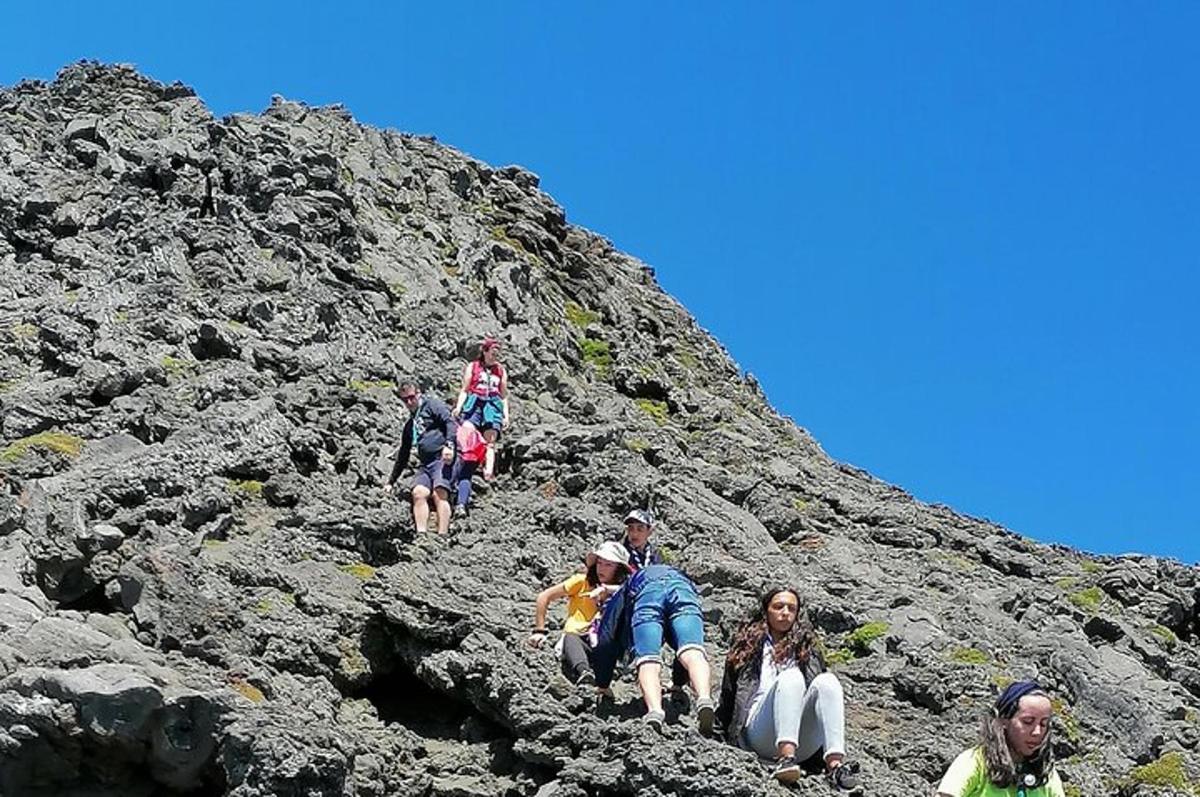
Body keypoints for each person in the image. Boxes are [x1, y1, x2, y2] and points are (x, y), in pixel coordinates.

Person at [715, 587, 860, 789]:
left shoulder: (808, 649)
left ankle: (835, 766)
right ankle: (785, 758)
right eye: (778, 607)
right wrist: (715, 736)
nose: (785, 612)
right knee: (791, 677)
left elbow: (820, 699)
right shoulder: (747, 648)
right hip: (758, 734)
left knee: (828, 681)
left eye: (791, 608)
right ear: (766, 611)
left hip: (803, 740)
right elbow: (728, 696)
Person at [592, 564, 714, 732]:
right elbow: (679, 641)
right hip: (682, 590)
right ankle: (704, 698)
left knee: (647, 659)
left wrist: (603, 684)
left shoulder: (625, 589)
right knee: (692, 651)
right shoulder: (678, 575)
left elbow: (606, 636)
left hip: (648, 594)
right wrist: (677, 684)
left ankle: (655, 711)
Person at [527, 541, 631, 685]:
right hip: (578, 640)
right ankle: (584, 672)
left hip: (606, 644)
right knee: (571, 637)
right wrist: (539, 630)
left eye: (608, 565)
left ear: (619, 569)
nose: (602, 568)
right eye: (600, 563)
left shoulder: (623, 592)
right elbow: (544, 596)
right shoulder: (581, 582)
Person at [936, 681, 1065, 797]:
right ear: (1004, 721)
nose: (1037, 732)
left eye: (1043, 724)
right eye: (1027, 722)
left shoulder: (1046, 773)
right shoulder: (973, 762)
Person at [384, 380, 457, 534]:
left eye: (412, 397)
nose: (409, 402)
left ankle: (442, 534)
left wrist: (449, 445)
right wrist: (391, 482)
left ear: (418, 393)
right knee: (418, 493)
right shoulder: (410, 425)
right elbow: (403, 454)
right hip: (425, 464)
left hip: (441, 458)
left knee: (439, 493)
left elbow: (450, 422)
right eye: (405, 400)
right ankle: (421, 534)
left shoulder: (432, 406)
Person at [452, 338, 509, 480]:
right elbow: (465, 389)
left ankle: (488, 472)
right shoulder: (473, 366)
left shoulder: (500, 370)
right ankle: (468, 463)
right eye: (492, 352)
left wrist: (505, 415)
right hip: (475, 403)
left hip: (493, 405)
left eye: (497, 354)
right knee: (467, 431)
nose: (495, 356)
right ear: (485, 351)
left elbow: (503, 395)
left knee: (490, 441)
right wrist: (459, 407)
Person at [450, 420, 488, 515]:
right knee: (466, 478)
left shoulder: (455, 428)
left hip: (460, 455)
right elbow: (483, 446)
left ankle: (451, 503)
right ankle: (461, 504)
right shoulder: (475, 433)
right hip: (473, 457)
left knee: (453, 477)